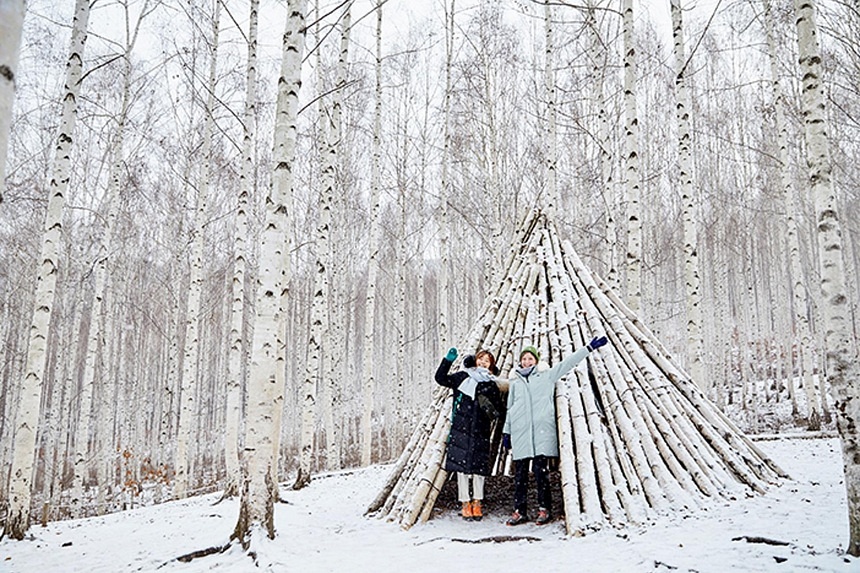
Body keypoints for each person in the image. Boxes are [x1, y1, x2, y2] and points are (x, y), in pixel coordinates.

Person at [502, 336, 608, 526]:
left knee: (541, 473)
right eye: (524, 358)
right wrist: (506, 432)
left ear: (536, 361)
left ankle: (544, 509)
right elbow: (510, 409)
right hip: (521, 434)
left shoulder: (546, 376)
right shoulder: (515, 383)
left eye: (530, 358)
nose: (526, 361)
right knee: (520, 477)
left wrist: (588, 348)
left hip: (541, 433)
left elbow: (568, 363)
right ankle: (520, 511)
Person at [435, 347, 505, 521]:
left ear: (491, 366)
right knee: (462, 469)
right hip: (461, 429)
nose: (482, 362)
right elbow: (441, 378)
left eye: (487, 361)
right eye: (480, 358)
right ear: (475, 360)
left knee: (479, 469)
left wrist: (485, 402)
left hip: (481, 430)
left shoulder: (491, 383)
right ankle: (465, 502)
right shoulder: (462, 377)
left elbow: (497, 410)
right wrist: (448, 361)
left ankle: (477, 502)